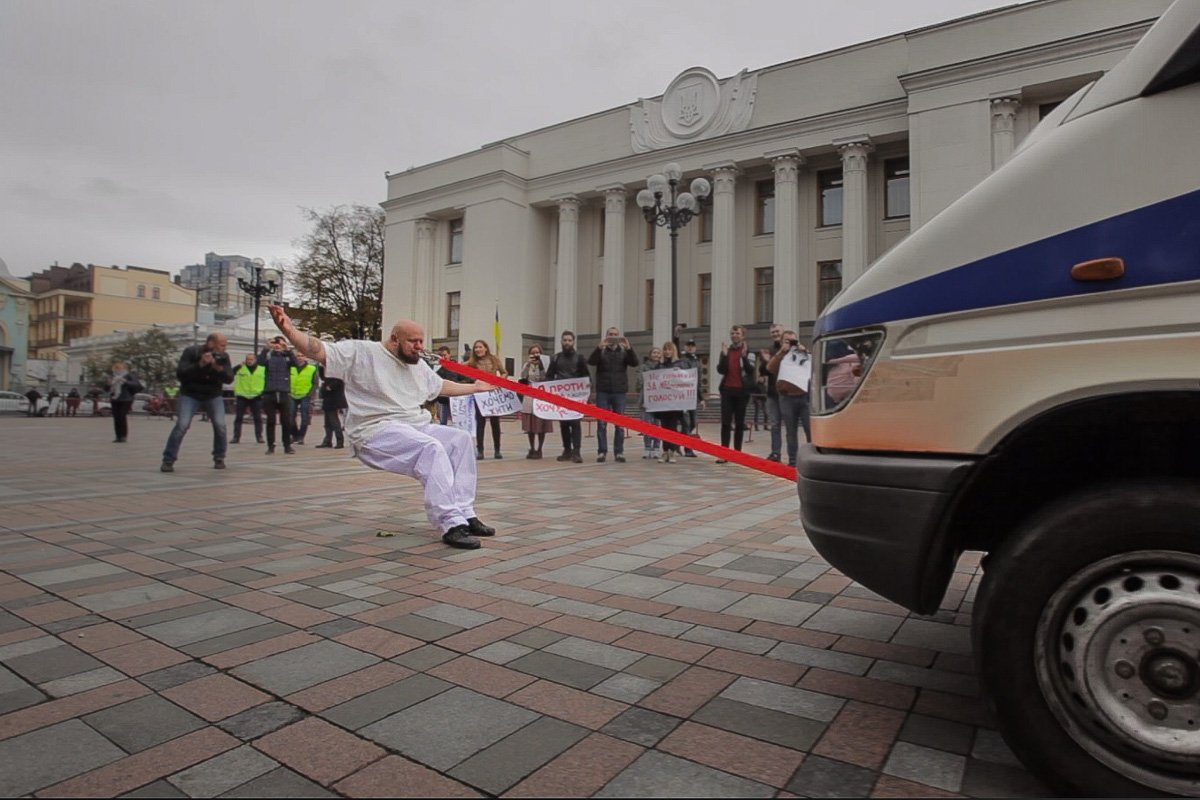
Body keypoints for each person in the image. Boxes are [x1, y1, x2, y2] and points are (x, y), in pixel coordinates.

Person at [266, 304, 498, 550]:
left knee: (460, 440)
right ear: (394, 338)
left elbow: (440, 386)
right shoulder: (362, 352)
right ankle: (451, 523)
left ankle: (465, 511)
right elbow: (319, 350)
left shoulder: (418, 365)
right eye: (413, 341)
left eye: (421, 341)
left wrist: (475, 387)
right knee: (431, 448)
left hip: (413, 425)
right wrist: (291, 332)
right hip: (374, 430)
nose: (419, 346)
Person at [160, 334, 234, 472]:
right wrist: (200, 365)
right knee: (182, 424)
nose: (225, 347)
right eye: (222, 345)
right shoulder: (191, 352)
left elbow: (229, 378)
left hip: (213, 394)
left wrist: (218, 369)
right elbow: (181, 374)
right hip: (190, 394)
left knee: (220, 425)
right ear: (211, 344)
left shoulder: (224, 357)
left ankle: (219, 457)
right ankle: (168, 460)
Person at [587, 326, 638, 463]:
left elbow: (635, 363)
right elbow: (591, 362)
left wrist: (629, 348)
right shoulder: (602, 351)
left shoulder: (623, 351)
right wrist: (598, 348)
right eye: (610, 334)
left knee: (619, 424)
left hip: (619, 392)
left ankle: (619, 452)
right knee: (601, 423)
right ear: (606, 336)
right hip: (603, 391)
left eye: (615, 334)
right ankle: (602, 452)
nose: (613, 337)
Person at [766, 329, 812, 467]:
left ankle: (812, 459)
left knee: (809, 429)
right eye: (787, 341)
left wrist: (805, 351)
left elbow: (813, 366)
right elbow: (770, 368)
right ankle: (793, 461)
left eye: (793, 341)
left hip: (804, 396)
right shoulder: (780, 355)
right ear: (782, 342)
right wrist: (782, 351)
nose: (791, 344)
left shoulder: (803, 353)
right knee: (791, 431)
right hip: (786, 398)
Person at [545, 330, 590, 463]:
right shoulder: (556, 358)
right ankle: (567, 450)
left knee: (575, 424)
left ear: (573, 342)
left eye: (569, 340)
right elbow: (549, 376)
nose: (567, 342)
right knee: (564, 424)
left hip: (576, 397)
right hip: (561, 397)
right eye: (565, 340)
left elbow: (586, 377)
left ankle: (577, 451)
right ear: (561, 341)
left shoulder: (580, 358)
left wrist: (587, 394)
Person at [715, 324, 757, 462]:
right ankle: (724, 453)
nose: (734, 336)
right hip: (727, 390)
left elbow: (750, 370)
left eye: (737, 333)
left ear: (742, 335)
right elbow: (720, 370)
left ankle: (737, 453)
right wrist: (725, 356)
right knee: (726, 423)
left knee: (739, 424)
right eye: (732, 333)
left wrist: (744, 357)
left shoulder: (749, 351)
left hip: (741, 392)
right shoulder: (726, 351)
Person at [258, 336, 299, 455]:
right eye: (275, 344)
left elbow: (296, 364)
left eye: (280, 344)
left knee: (286, 421)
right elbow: (259, 363)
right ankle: (271, 446)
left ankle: (287, 446)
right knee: (270, 421)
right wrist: (266, 348)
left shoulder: (287, 357)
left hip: (284, 392)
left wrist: (288, 350)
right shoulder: (269, 356)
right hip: (269, 392)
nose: (277, 346)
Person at [466, 340, 506, 459]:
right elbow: (461, 369)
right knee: (480, 423)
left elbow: (504, 372)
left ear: (486, 348)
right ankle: (480, 450)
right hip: (480, 395)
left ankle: (497, 450)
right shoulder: (472, 362)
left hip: (493, 395)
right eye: (476, 348)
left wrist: (499, 381)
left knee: (495, 423)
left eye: (480, 347)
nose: (478, 349)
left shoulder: (494, 359)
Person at [653, 341, 688, 464]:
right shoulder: (660, 365)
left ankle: (672, 450)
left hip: (675, 402)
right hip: (662, 402)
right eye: (665, 349)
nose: (667, 352)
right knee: (664, 427)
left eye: (669, 349)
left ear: (674, 351)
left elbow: (685, 380)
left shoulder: (679, 365)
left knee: (672, 427)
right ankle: (665, 450)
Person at [519, 344, 553, 459]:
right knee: (530, 425)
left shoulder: (545, 365)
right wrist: (528, 365)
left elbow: (546, 377)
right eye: (533, 353)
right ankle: (532, 447)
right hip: (529, 395)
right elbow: (523, 377)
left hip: (541, 395)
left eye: (537, 352)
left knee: (541, 424)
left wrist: (542, 365)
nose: (535, 355)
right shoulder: (527, 365)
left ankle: (540, 449)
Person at [759, 323, 785, 462]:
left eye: (777, 331)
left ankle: (793, 457)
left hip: (787, 393)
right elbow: (764, 372)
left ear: (783, 332)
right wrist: (764, 361)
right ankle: (776, 453)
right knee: (774, 425)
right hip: (773, 393)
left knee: (791, 427)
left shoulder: (789, 349)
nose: (775, 334)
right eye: (773, 332)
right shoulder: (769, 349)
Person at [230, 354, 265, 445]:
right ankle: (236, 437)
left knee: (258, 418)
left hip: (256, 396)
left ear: (255, 360)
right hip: (242, 395)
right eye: (248, 359)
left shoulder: (262, 369)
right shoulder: (241, 368)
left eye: (251, 359)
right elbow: (230, 373)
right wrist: (238, 366)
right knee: (238, 417)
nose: (249, 361)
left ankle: (259, 436)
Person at [104, 362, 142, 442]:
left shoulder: (128, 375)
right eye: (115, 369)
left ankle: (123, 436)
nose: (117, 370)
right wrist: (108, 384)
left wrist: (125, 381)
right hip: (115, 398)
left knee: (122, 417)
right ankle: (118, 436)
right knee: (116, 418)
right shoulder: (112, 376)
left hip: (126, 399)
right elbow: (106, 389)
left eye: (119, 368)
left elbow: (136, 384)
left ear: (123, 369)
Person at [636, 346, 662, 459]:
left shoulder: (663, 367)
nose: (656, 354)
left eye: (658, 353)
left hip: (660, 401)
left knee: (657, 425)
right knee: (646, 424)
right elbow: (639, 382)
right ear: (650, 354)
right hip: (646, 399)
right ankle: (647, 447)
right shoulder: (643, 367)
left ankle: (656, 447)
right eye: (654, 352)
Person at [679, 339, 704, 457]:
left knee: (693, 422)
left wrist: (701, 398)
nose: (690, 348)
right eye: (688, 345)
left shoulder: (696, 362)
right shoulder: (680, 359)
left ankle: (678, 439)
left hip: (692, 396)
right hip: (682, 396)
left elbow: (698, 381)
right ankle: (688, 449)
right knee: (686, 423)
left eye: (692, 346)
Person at [290, 353, 320, 445]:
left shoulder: (312, 368)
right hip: (292, 394)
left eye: (302, 356)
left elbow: (315, 383)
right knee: (290, 416)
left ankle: (301, 436)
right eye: (298, 356)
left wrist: (310, 394)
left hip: (305, 395)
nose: (299, 358)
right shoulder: (291, 367)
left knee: (304, 416)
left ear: (305, 357)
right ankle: (294, 435)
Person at [315, 364, 346, 449]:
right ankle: (327, 440)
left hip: (334, 398)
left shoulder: (336, 367)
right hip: (327, 398)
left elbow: (339, 381)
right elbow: (322, 377)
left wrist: (329, 387)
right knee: (327, 422)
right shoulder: (324, 368)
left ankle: (340, 441)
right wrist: (321, 367)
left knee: (334, 421)